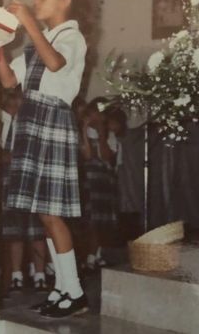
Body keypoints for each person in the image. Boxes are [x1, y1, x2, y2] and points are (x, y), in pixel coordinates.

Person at [0, 0, 93, 318]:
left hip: (52, 120)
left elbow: (54, 64)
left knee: (53, 213)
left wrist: (29, 24)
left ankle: (76, 292)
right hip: (32, 120)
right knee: (43, 213)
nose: (36, 0)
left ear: (65, 1)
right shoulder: (42, 38)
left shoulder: (70, 36)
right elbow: (9, 82)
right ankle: (64, 288)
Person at [0, 86, 48, 294]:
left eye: (17, 99)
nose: (14, 104)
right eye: (10, 99)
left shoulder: (31, 121)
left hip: (32, 179)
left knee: (37, 229)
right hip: (9, 179)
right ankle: (17, 275)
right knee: (14, 230)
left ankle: (40, 275)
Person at [79, 100, 118, 272]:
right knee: (90, 220)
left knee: (102, 221)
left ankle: (96, 255)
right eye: (96, 112)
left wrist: (102, 134)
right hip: (88, 180)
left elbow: (106, 156)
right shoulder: (83, 131)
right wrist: (84, 131)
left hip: (103, 182)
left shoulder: (110, 135)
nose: (98, 116)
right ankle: (89, 257)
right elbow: (87, 156)